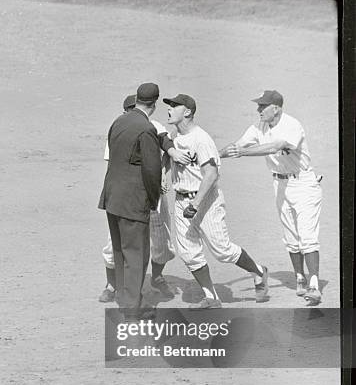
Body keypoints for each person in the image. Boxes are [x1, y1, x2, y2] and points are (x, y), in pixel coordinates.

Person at [162, 94, 269, 308]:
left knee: (222, 250)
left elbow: (211, 174)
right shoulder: (175, 135)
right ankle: (211, 297)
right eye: (169, 106)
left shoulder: (201, 139)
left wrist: (196, 203)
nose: (169, 109)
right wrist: (165, 173)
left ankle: (259, 271)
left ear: (188, 112)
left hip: (205, 199)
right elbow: (164, 145)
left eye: (175, 106)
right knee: (187, 251)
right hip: (181, 199)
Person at [219, 90, 323, 306]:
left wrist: (244, 153)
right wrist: (213, 156)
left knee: (307, 235)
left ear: (276, 108)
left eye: (262, 106)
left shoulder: (292, 125)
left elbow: (275, 146)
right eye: (258, 105)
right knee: (291, 237)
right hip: (280, 183)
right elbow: (238, 145)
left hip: (303, 183)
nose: (258, 109)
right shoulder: (259, 126)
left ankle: (314, 285)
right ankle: (299, 278)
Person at [98, 82, 175, 319]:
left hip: (112, 197)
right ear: (154, 104)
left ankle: (124, 298)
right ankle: (133, 309)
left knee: (121, 252)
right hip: (133, 201)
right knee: (136, 255)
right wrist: (152, 200)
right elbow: (151, 171)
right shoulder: (147, 128)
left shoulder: (118, 122)